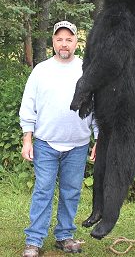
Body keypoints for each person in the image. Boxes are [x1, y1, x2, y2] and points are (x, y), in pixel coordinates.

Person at [19, 21, 98, 257]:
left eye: (69, 39)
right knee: (43, 190)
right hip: (45, 143)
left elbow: (98, 109)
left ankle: (64, 235)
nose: (64, 44)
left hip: (78, 145)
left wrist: (100, 138)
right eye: (60, 39)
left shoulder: (87, 70)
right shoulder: (41, 71)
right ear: (53, 41)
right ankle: (34, 240)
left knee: (71, 191)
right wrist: (27, 138)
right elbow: (28, 106)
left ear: (76, 42)